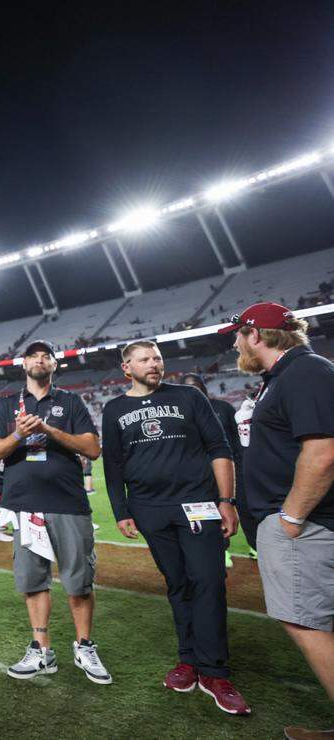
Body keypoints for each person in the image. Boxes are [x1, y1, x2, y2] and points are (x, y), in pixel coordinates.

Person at [102, 341, 250, 715]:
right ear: (126, 368)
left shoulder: (188, 397)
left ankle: (215, 672)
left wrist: (227, 501)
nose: (154, 363)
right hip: (150, 510)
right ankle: (189, 661)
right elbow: (114, 465)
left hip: (197, 505)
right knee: (179, 584)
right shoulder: (115, 409)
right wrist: (121, 511)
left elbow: (219, 447)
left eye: (157, 358)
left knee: (209, 581)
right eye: (145, 359)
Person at [220, 302, 334, 730]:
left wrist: (290, 518)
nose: (235, 343)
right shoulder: (286, 376)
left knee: (304, 622)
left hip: (307, 524)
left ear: (257, 334)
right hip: (307, 521)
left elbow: (323, 453)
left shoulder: (304, 371)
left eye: (238, 335)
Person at [0, 340, 109, 684]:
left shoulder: (69, 401)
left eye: (46, 356)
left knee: (78, 579)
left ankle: (84, 645)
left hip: (67, 501)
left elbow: (92, 448)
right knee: (33, 579)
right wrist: (19, 433)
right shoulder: (8, 404)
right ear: (23, 364)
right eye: (33, 356)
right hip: (25, 504)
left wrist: (48, 430)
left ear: (54, 365)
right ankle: (42, 650)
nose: (40, 361)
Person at [182, 372, 254, 562]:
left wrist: (244, 463)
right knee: (209, 513)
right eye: (187, 387)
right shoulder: (180, 416)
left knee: (245, 507)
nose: (193, 391)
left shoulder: (223, 408)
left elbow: (239, 439)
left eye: (196, 386)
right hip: (201, 474)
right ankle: (222, 549)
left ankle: (255, 545)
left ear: (204, 388)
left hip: (232, 468)